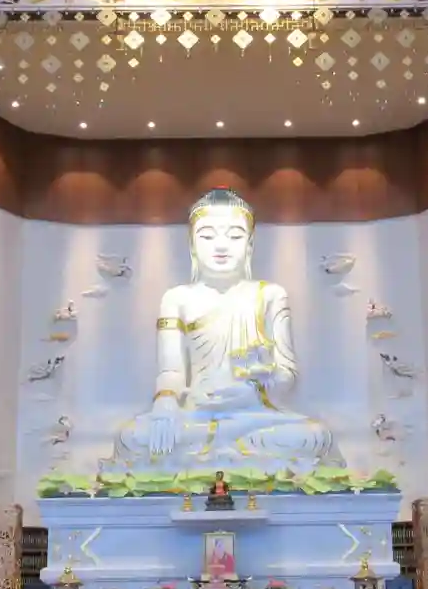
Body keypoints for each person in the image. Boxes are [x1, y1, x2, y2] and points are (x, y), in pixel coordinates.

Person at [105, 187, 343, 472]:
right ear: (192, 244)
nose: (221, 246)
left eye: (234, 236)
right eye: (207, 236)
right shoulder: (176, 298)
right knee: (132, 437)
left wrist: (250, 395)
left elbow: (286, 373)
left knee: (312, 436)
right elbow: (171, 371)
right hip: (196, 413)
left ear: (250, 245)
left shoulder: (270, 295)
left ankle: (210, 458)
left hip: (253, 414)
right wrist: (165, 405)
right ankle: (230, 457)